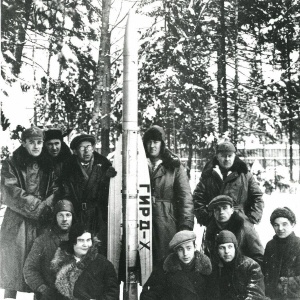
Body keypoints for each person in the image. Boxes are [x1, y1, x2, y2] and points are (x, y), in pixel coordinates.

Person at [0, 126, 57, 299]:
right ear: (24, 143)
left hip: (42, 222)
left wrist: (47, 206)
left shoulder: (50, 165)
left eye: (39, 142)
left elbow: (56, 189)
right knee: (13, 269)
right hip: (17, 221)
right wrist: (38, 207)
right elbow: (9, 190)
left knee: (39, 268)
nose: (36, 146)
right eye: (31, 142)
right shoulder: (11, 163)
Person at [142, 125, 194, 265]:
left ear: (162, 144)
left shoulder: (173, 166)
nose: (152, 146)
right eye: (149, 142)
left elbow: (185, 198)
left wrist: (186, 224)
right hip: (142, 220)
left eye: (156, 142)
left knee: (165, 262)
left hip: (167, 222)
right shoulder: (137, 164)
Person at [59, 133, 117, 255]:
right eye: (82, 148)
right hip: (77, 214)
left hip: (98, 216)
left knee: (99, 248)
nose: (86, 151)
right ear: (75, 151)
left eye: (89, 147)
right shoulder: (68, 167)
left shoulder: (104, 165)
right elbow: (65, 192)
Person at [193, 141, 264, 226]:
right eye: (223, 156)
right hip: (215, 223)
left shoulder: (245, 175)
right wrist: (207, 218)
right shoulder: (208, 175)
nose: (227, 159)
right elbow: (197, 198)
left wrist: (252, 218)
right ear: (217, 157)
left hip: (240, 223)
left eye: (230, 156)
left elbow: (257, 197)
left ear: (234, 156)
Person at [51, 223, 119, 300]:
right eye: (81, 240)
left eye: (88, 240)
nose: (85, 244)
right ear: (72, 243)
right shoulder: (61, 263)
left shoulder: (103, 264)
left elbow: (112, 293)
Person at [24, 200, 75, 300]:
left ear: (73, 217)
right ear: (55, 217)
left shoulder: (80, 240)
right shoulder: (42, 241)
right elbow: (29, 269)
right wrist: (43, 288)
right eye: (60, 215)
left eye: (68, 215)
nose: (64, 219)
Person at [140, 230, 212, 300]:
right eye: (181, 249)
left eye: (188, 248)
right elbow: (149, 294)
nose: (185, 253)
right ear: (176, 251)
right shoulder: (165, 267)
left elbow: (214, 295)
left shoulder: (206, 267)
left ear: (195, 247)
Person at [203, 195, 264, 265]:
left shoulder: (244, 228)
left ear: (232, 210)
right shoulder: (210, 231)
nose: (221, 212)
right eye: (217, 209)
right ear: (214, 212)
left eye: (225, 208)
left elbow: (259, 256)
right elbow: (208, 257)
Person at [207, 230, 266, 300]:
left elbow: (255, 296)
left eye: (230, 247)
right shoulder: (213, 268)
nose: (226, 251)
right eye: (222, 248)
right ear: (217, 250)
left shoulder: (251, 266)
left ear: (235, 248)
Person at [263, 207, 300, 300]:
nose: (280, 228)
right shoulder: (270, 245)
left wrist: (285, 283)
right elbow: (265, 271)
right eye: (276, 225)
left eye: (285, 224)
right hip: (271, 296)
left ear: (293, 224)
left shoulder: (298, 245)